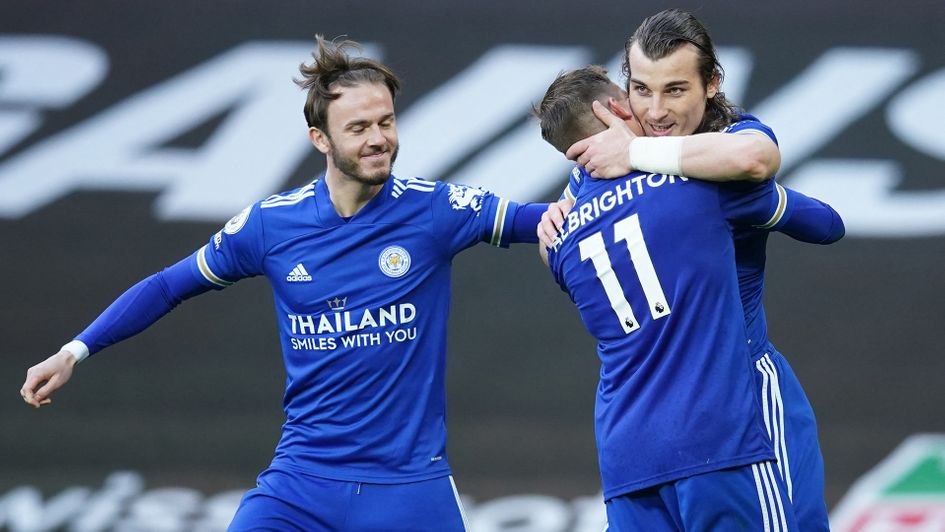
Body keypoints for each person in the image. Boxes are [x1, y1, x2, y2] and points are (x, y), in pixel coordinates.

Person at [20, 36, 546, 531]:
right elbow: (166, 286)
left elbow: (544, 221)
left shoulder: (435, 209)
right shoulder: (271, 225)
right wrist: (74, 351)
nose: (379, 139)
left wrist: (602, 166)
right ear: (320, 139)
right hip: (300, 486)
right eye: (359, 127)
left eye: (386, 122)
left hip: (409, 488)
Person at [538, 10, 842, 531]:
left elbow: (558, 250)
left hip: (627, 449)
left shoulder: (566, 223)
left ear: (711, 83)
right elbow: (823, 222)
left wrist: (629, 158)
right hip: (729, 420)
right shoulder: (707, 185)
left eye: (675, 90)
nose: (656, 110)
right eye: (642, 90)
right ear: (619, 100)